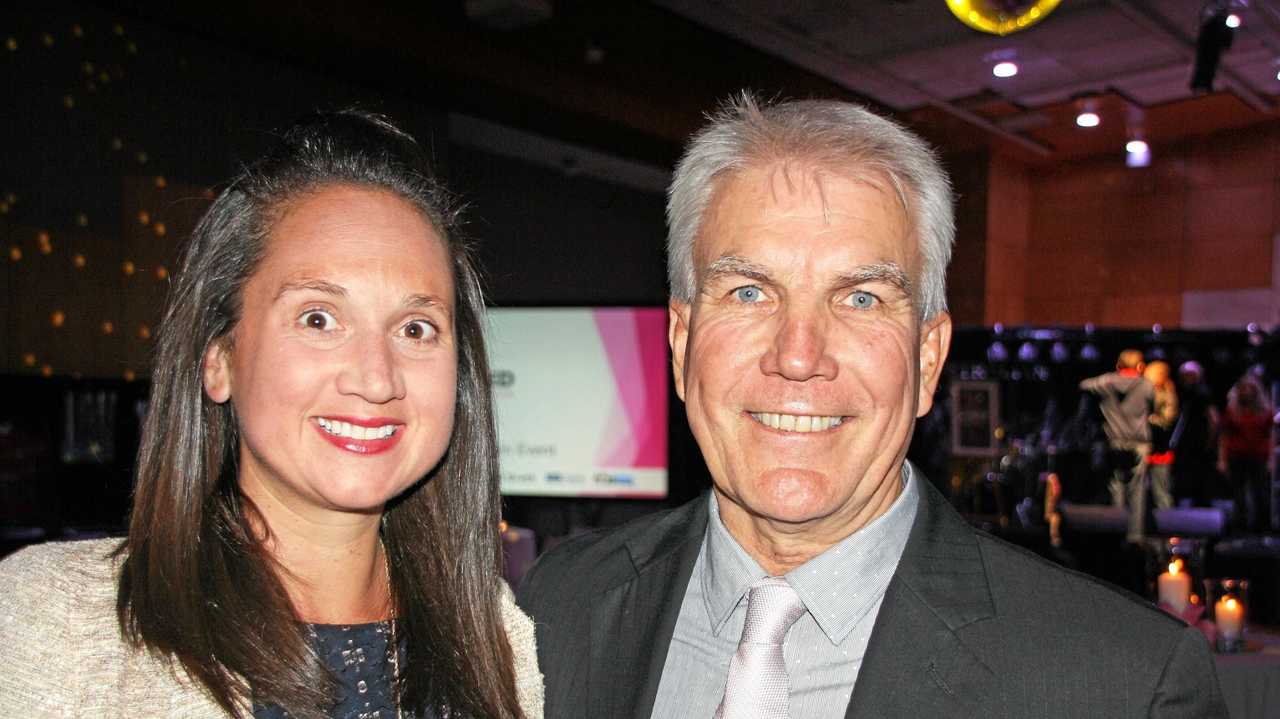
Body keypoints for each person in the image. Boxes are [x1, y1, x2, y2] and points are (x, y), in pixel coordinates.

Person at [517, 94, 1226, 718]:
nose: (798, 355)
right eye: (749, 292)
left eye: (860, 298)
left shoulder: (1125, 689)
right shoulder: (561, 605)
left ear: (926, 359)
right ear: (679, 343)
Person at [0, 111, 542, 718]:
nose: (375, 377)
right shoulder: (55, 619)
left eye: (416, 329)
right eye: (319, 319)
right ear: (220, 358)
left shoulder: (500, 637)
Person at [1080, 349, 1155, 541]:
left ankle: (1116, 534)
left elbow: (1084, 385)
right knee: (1137, 491)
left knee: (1116, 486)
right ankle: (1135, 537)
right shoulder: (1147, 386)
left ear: (1118, 365)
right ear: (1140, 366)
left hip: (1114, 442)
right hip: (1139, 445)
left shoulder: (1106, 382)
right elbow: (1154, 408)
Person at [1219, 371, 1274, 533]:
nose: (1246, 393)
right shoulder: (1232, 410)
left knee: (1260, 491)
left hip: (1258, 456)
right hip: (1237, 455)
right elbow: (1224, 436)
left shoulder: (1265, 411)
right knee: (1239, 493)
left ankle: (1263, 526)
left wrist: (1271, 459)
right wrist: (1222, 459)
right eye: (1243, 389)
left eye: (1250, 389)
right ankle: (1241, 526)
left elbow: (1271, 437)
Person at [1172, 360, 1220, 506]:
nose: (1189, 379)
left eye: (1192, 375)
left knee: (1200, 474)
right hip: (1184, 441)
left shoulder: (1203, 393)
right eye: (1186, 375)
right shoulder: (1180, 393)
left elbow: (1214, 419)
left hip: (1199, 441)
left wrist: (1210, 440)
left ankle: (1201, 503)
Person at [1144, 360, 1179, 511]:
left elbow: (1168, 418)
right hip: (1143, 444)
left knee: (1162, 487)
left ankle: (1166, 521)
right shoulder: (1142, 390)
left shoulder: (1169, 392)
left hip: (1160, 445)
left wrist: (1151, 419)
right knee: (1141, 487)